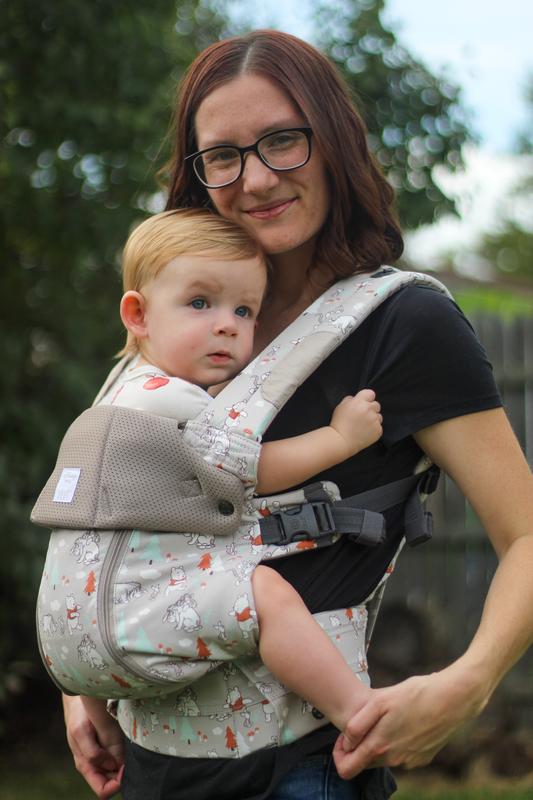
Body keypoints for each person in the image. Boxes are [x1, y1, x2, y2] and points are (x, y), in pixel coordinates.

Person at [61, 29, 533, 800]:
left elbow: (524, 535)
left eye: (282, 141)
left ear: (335, 139)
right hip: (147, 766)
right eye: (222, 155)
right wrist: (81, 686)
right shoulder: (177, 315)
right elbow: (109, 516)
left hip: (300, 767)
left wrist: (469, 682)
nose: (254, 179)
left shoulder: (403, 324)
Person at [72, 206, 383, 764]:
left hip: (86, 612)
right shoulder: (170, 398)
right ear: (138, 315)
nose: (227, 324)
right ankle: (359, 714)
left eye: (244, 309)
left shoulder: (119, 393)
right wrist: (341, 439)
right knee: (265, 596)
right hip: (146, 598)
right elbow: (250, 471)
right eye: (200, 303)